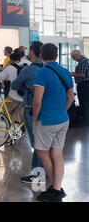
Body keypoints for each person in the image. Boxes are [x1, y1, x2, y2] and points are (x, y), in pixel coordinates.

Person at [32, 43, 74, 202]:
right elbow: (71, 95)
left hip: (47, 120)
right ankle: (56, 188)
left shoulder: (41, 72)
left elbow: (37, 101)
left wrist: (35, 120)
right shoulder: (65, 72)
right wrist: (63, 110)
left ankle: (56, 187)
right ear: (56, 56)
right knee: (57, 153)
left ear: (41, 55)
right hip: (63, 119)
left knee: (42, 152)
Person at [11, 41, 45, 184]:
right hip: (48, 108)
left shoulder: (29, 69)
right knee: (45, 141)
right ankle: (45, 169)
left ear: (32, 52)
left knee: (37, 142)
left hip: (31, 107)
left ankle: (37, 174)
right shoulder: (50, 68)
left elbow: (15, 85)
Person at [0, 52, 25, 124]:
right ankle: (15, 129)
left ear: (11, 60)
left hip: (13, 96)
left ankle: (10, 127)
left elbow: (1, 76)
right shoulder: (24, 66)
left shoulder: (10, 67)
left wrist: (6, 66)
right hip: (23, 97)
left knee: (5, 109)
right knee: (16, 113)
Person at [71, 50, 89, 126]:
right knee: (86, 102)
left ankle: (85, 121)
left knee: (83, 102)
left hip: (84, 84)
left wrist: (71, 73)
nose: (74, 59)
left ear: (77, 56)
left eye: (73, 58)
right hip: (86, 84)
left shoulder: (83, 62)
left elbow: (82, 75)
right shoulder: (86, 61)